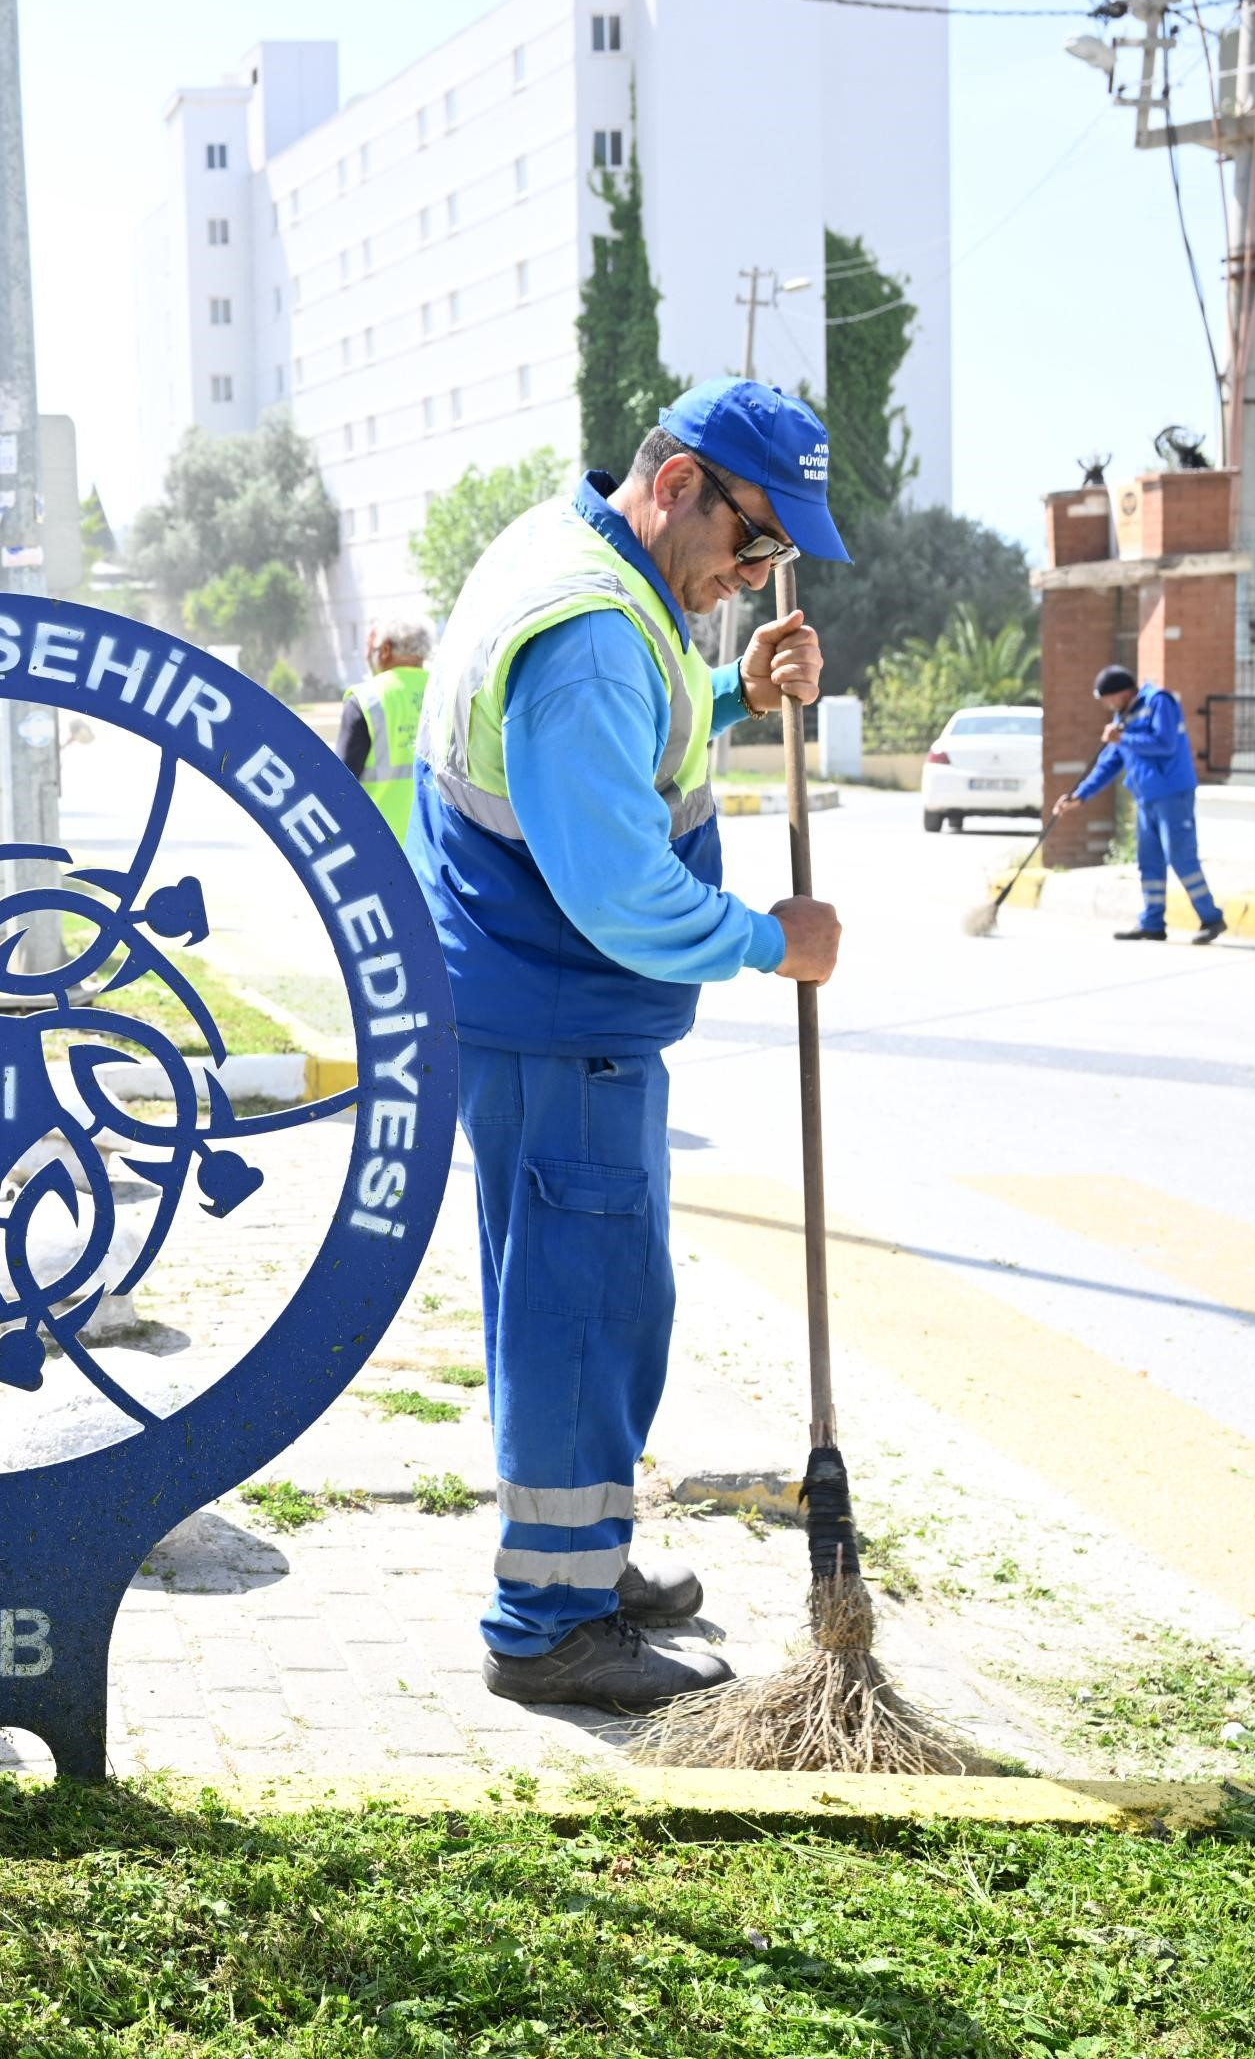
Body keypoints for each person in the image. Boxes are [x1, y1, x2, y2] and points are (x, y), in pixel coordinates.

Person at [411, 377, 843, 1713]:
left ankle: (580, 1570)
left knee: (596, 1310)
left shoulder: (580, 556)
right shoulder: (595, 630)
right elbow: (618, 887)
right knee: (578, 1319)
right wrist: (778, 940)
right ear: (674, 490)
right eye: (752, 542)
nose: (752, 573)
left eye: (771, 557)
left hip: (548, 1018)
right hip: (561, 1017)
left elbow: (606, 757)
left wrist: (722, 688)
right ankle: (547, 1622)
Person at [1051, 663, 1223, 944]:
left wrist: (1123, 737)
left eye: (1108, 698)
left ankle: (1212, 918)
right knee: (1149, 862)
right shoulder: (1124, 716)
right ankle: (1152, 923)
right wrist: (1079, 797)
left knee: (1181, 857)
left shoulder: (1159, 701)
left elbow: (1165, 743)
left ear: (1122, 692)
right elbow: (1108, 763)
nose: (1107, 705)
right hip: (1146, 798)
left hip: (1172, 793)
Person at [338, 614, 435, 845]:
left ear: (386, 650)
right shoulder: (446, 692)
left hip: (379, 845)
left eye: (369, 648)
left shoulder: (367, 699)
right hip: (435, 849)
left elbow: (338, 781)